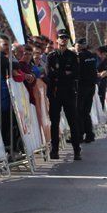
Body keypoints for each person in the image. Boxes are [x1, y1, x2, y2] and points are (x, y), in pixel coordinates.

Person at [45, 31, 81, 160]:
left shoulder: (72, 55)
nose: (64, 40)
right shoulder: (51, 56)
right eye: (61, 38)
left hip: (69, 92)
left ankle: (77, 151)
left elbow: (76, 73)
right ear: (57, 40)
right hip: (55, 93)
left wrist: (61, 74)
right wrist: (64, 73)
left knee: (73, 122)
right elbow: (50, 74)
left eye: (66, 38)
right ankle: (54, 150)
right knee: (55, 123)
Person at [75, 38, 98, 143]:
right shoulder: (92, 56)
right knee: (86, 112)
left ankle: (79, 135)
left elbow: (77, 71)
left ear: (78, 46)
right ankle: (89, 134)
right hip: (91, 86)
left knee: (79, 111)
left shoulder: (79, 56)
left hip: (82, 86)